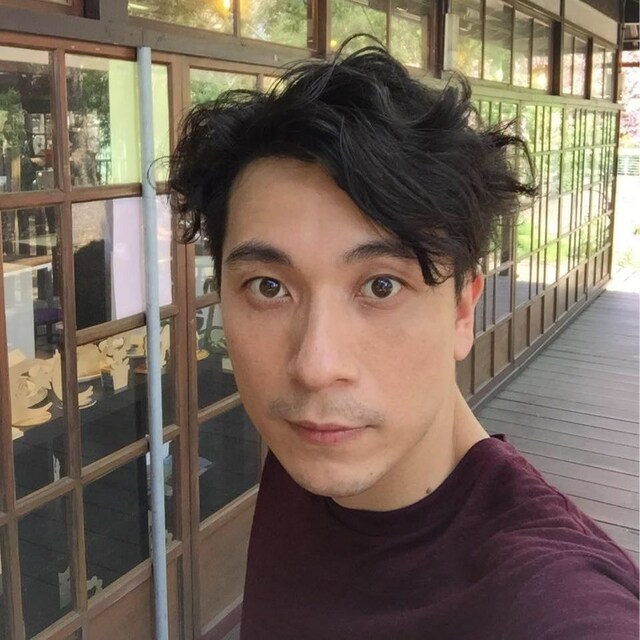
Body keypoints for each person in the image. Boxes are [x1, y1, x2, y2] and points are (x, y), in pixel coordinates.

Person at [169, 42, 639, 639]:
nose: (315, 366)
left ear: (463, 309)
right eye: (269, 287)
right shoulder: (306, 456)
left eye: (382, 286)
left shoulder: (548, 598)